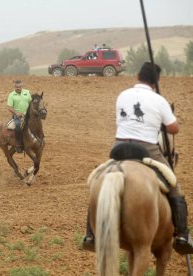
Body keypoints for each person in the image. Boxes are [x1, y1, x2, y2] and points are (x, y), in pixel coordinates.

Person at [82, 62, 193, 254]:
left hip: (119, 146)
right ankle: (182, 235)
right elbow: (174, 128)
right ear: (156, 81)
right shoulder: (159, 100)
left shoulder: (122, 95)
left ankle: (90, 234)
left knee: (98, 182)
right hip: (148, 149)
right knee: (174, 185)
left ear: (137, 75)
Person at [7, 80, 32, 153]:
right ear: (14, 86)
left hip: (28, 115)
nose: (18, 88)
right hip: (18, 116)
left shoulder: (27, 92)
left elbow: (31, 102)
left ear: (22, 86)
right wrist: (16, 113)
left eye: (19, 87)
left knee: (36, 123)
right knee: (17, 126)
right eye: (16, 87)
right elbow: (9, 107)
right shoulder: (11, 95)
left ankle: (40, 138)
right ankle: (18, 144)